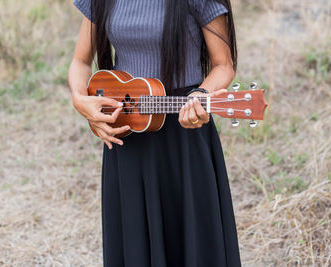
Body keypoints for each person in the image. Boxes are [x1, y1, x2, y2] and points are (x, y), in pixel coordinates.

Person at [68, 0, 241, 266]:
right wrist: (80, 100)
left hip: (183, 135)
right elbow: (80, 61)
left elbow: (224, 64)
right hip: (127, 135)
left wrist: (201, 96)